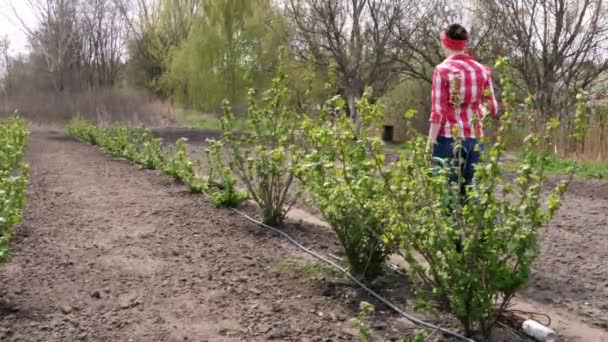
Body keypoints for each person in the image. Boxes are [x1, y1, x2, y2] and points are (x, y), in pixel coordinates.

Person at [428, 23, 499, 199]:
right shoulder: (483, 71)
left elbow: (438, 113)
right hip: (475, 140)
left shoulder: (442, 71)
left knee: (447, 197)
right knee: (471, 197)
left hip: (447, 140)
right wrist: (475, 109)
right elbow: (493, 108)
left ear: (444, 43)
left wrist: (429, 145)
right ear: (464, 44)